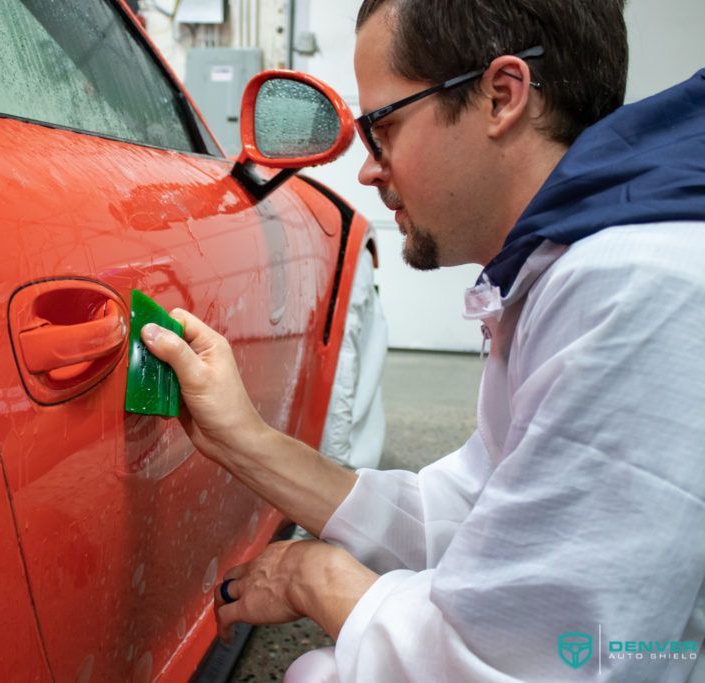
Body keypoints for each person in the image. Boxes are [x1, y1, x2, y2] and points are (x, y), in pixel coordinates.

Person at [140, 0, 705, 680]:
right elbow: (472, 517)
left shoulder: (638, 286)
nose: (368, 170)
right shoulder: (572, 262)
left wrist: (318, 579)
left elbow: (538, 662)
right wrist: (245, 439)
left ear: (502, 95)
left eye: (384, 127)